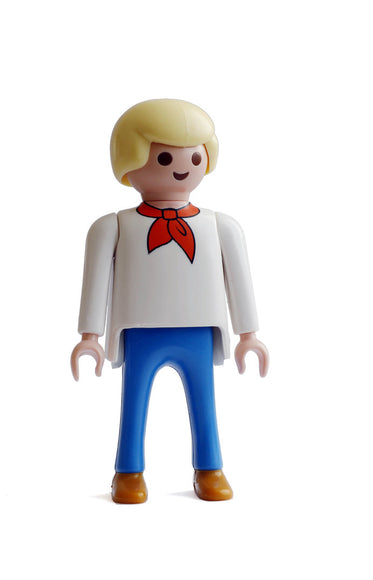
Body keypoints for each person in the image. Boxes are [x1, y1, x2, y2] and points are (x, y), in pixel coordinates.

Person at [71, 99, 269, 503]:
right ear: (129, 160)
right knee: (133, 403)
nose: (181, 167)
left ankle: (210, 468)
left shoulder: (221, 226)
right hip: (139, 330)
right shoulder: (113, 226)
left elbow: (240, 280)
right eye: (163, 157)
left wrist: (248, 334)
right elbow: (95, 281)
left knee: (204, 404)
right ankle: (128, 472)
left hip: (199, 329)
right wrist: (89, 336)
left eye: (194, 156)